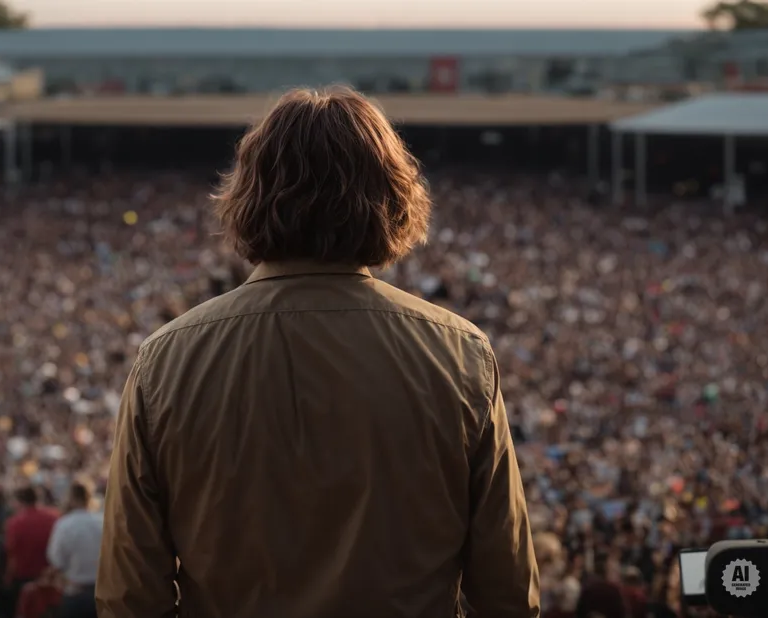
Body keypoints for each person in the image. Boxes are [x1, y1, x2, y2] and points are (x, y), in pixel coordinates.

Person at [97, 86, 540, 618]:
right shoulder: (460, 355)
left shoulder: (165, 361)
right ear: (393, 198)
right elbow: (507, 590)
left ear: (248, 197)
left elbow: (130, 596)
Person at [46, 481, 104, 618]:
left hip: (75, 593)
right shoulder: (102, 521)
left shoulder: (65, 524)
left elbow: (56, 560)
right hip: (102, 593)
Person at [4, 486, 60, 618]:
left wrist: (7, 578)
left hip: (23, 579)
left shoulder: (15, 523)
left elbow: (12, 554)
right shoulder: (53, 518)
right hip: (49, 580)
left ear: (19, 501)